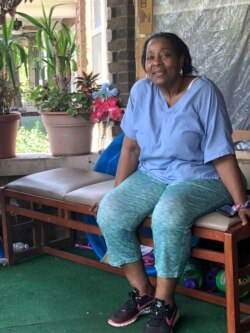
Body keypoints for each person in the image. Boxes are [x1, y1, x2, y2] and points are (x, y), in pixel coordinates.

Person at [94, 32, 250, 333]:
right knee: (111, 212)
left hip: (202, 177)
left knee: (168, 214)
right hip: (153, 174)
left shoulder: (204, 92)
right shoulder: (142, 91)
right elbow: (130, 148)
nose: (156, 63)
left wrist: (241, 201)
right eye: (150, 57)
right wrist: (119, 193)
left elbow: (221, 153)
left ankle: (166, 305)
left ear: (180, 60)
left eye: (165, 55)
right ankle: (143, 293)